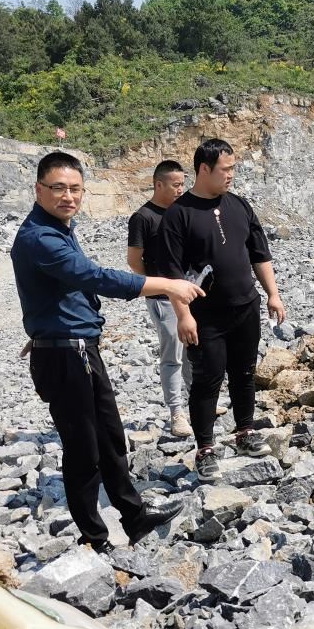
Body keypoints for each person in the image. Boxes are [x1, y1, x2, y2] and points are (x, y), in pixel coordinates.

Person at [11, 151, 201, 554]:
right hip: (66, 355)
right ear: (39, 189)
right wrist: (167, 285)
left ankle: (133, 516)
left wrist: (44, 325)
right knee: (83, 448)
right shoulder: (40, 237)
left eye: (75, 189)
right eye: (58, 188)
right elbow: (93, 276)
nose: (68, 196)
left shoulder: (60, 228)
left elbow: (58, 290)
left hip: (77, 348)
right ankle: (94, 539)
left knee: (111, 437)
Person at [158, 138, 286, 481]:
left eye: (233, 168)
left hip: (245, 306)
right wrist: (183, 315)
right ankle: (205, 449)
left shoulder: (239, 205)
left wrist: (273, 295)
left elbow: (259, 253)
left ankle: (245, 431)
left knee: (244, 373)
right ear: (204, 169)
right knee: (207, 379)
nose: (231, 175)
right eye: (225, 169)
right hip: (205, 315)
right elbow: (171, 274)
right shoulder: (178, 215)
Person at [127, 160, 194, 437]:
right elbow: (134, 260)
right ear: (158, 184)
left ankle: (198, 400)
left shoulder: (181, 212)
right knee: (173, 355)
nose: (181, 189)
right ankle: (177, 413)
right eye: (176, 185)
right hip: (163, 299)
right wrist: (158, 285)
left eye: (183, 184)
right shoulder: (142, 218)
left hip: (189, 293)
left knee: (193, 350)